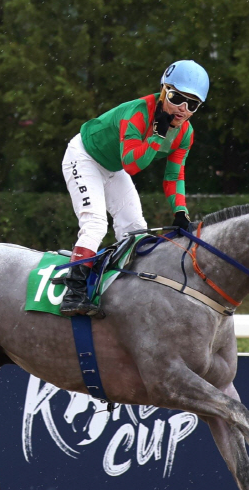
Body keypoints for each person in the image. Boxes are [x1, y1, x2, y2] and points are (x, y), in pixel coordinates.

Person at [55, 60, 209, 316]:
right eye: (177, 98)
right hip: (84, 157)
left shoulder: (185, 133)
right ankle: (74, 292)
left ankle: (126, 290)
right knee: (95, 224)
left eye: (192, 104)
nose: (183, 109)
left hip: (113, 167)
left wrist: (181, 211)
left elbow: (174, 175)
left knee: (136, 229)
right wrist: (157, 136)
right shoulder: (138, 112)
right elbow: (133, 165)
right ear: (164, 91)